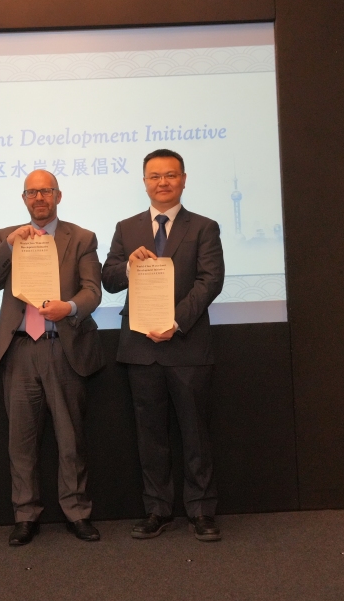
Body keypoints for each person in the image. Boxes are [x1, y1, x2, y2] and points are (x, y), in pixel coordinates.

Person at [102, 148, 225, 542]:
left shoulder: (204, 227)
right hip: (140, 348)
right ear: (144, 183)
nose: (163, 182)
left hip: (187, 345)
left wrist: (175, 322)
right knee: (150, 434)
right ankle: (157, 509)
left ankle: (201, 511)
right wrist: (128, 266)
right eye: (154, 176)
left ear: (184, 180)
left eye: (170, 175)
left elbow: (210, 281)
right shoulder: (126, 228)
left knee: (195, 433)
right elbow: (109, 279)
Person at [0, 169, 104, 546]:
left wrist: (70, 307)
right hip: (19, 348)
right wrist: (8, 247)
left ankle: (77, 512)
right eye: (32, 193)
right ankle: (25, 514)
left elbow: (93, 291)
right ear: (24, 199)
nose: (39, 198)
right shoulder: (6, 236)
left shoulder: (81, 238)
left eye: (46, 191)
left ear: (58, 196)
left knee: (70, 438)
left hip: (62, 346)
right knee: (21, 441)